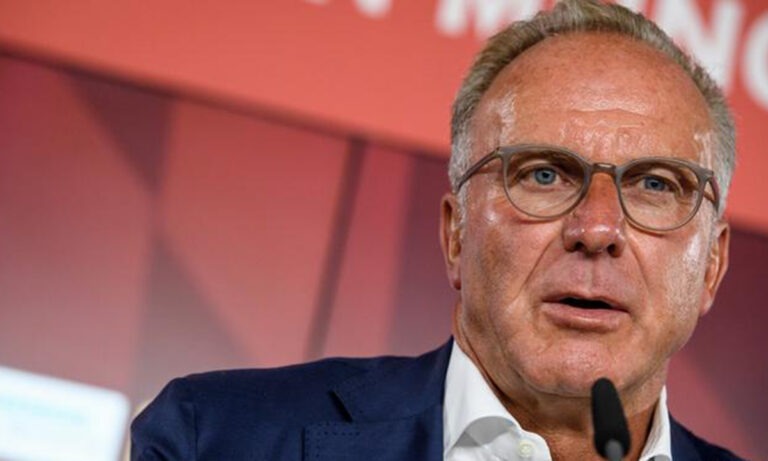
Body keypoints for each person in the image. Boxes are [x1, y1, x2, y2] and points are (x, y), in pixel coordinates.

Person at [131, 1, 746, 460]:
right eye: (544, 175)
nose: (598, 227)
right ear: (456, 235)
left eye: (656, 185)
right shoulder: (213, 438)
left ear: (711, 267)